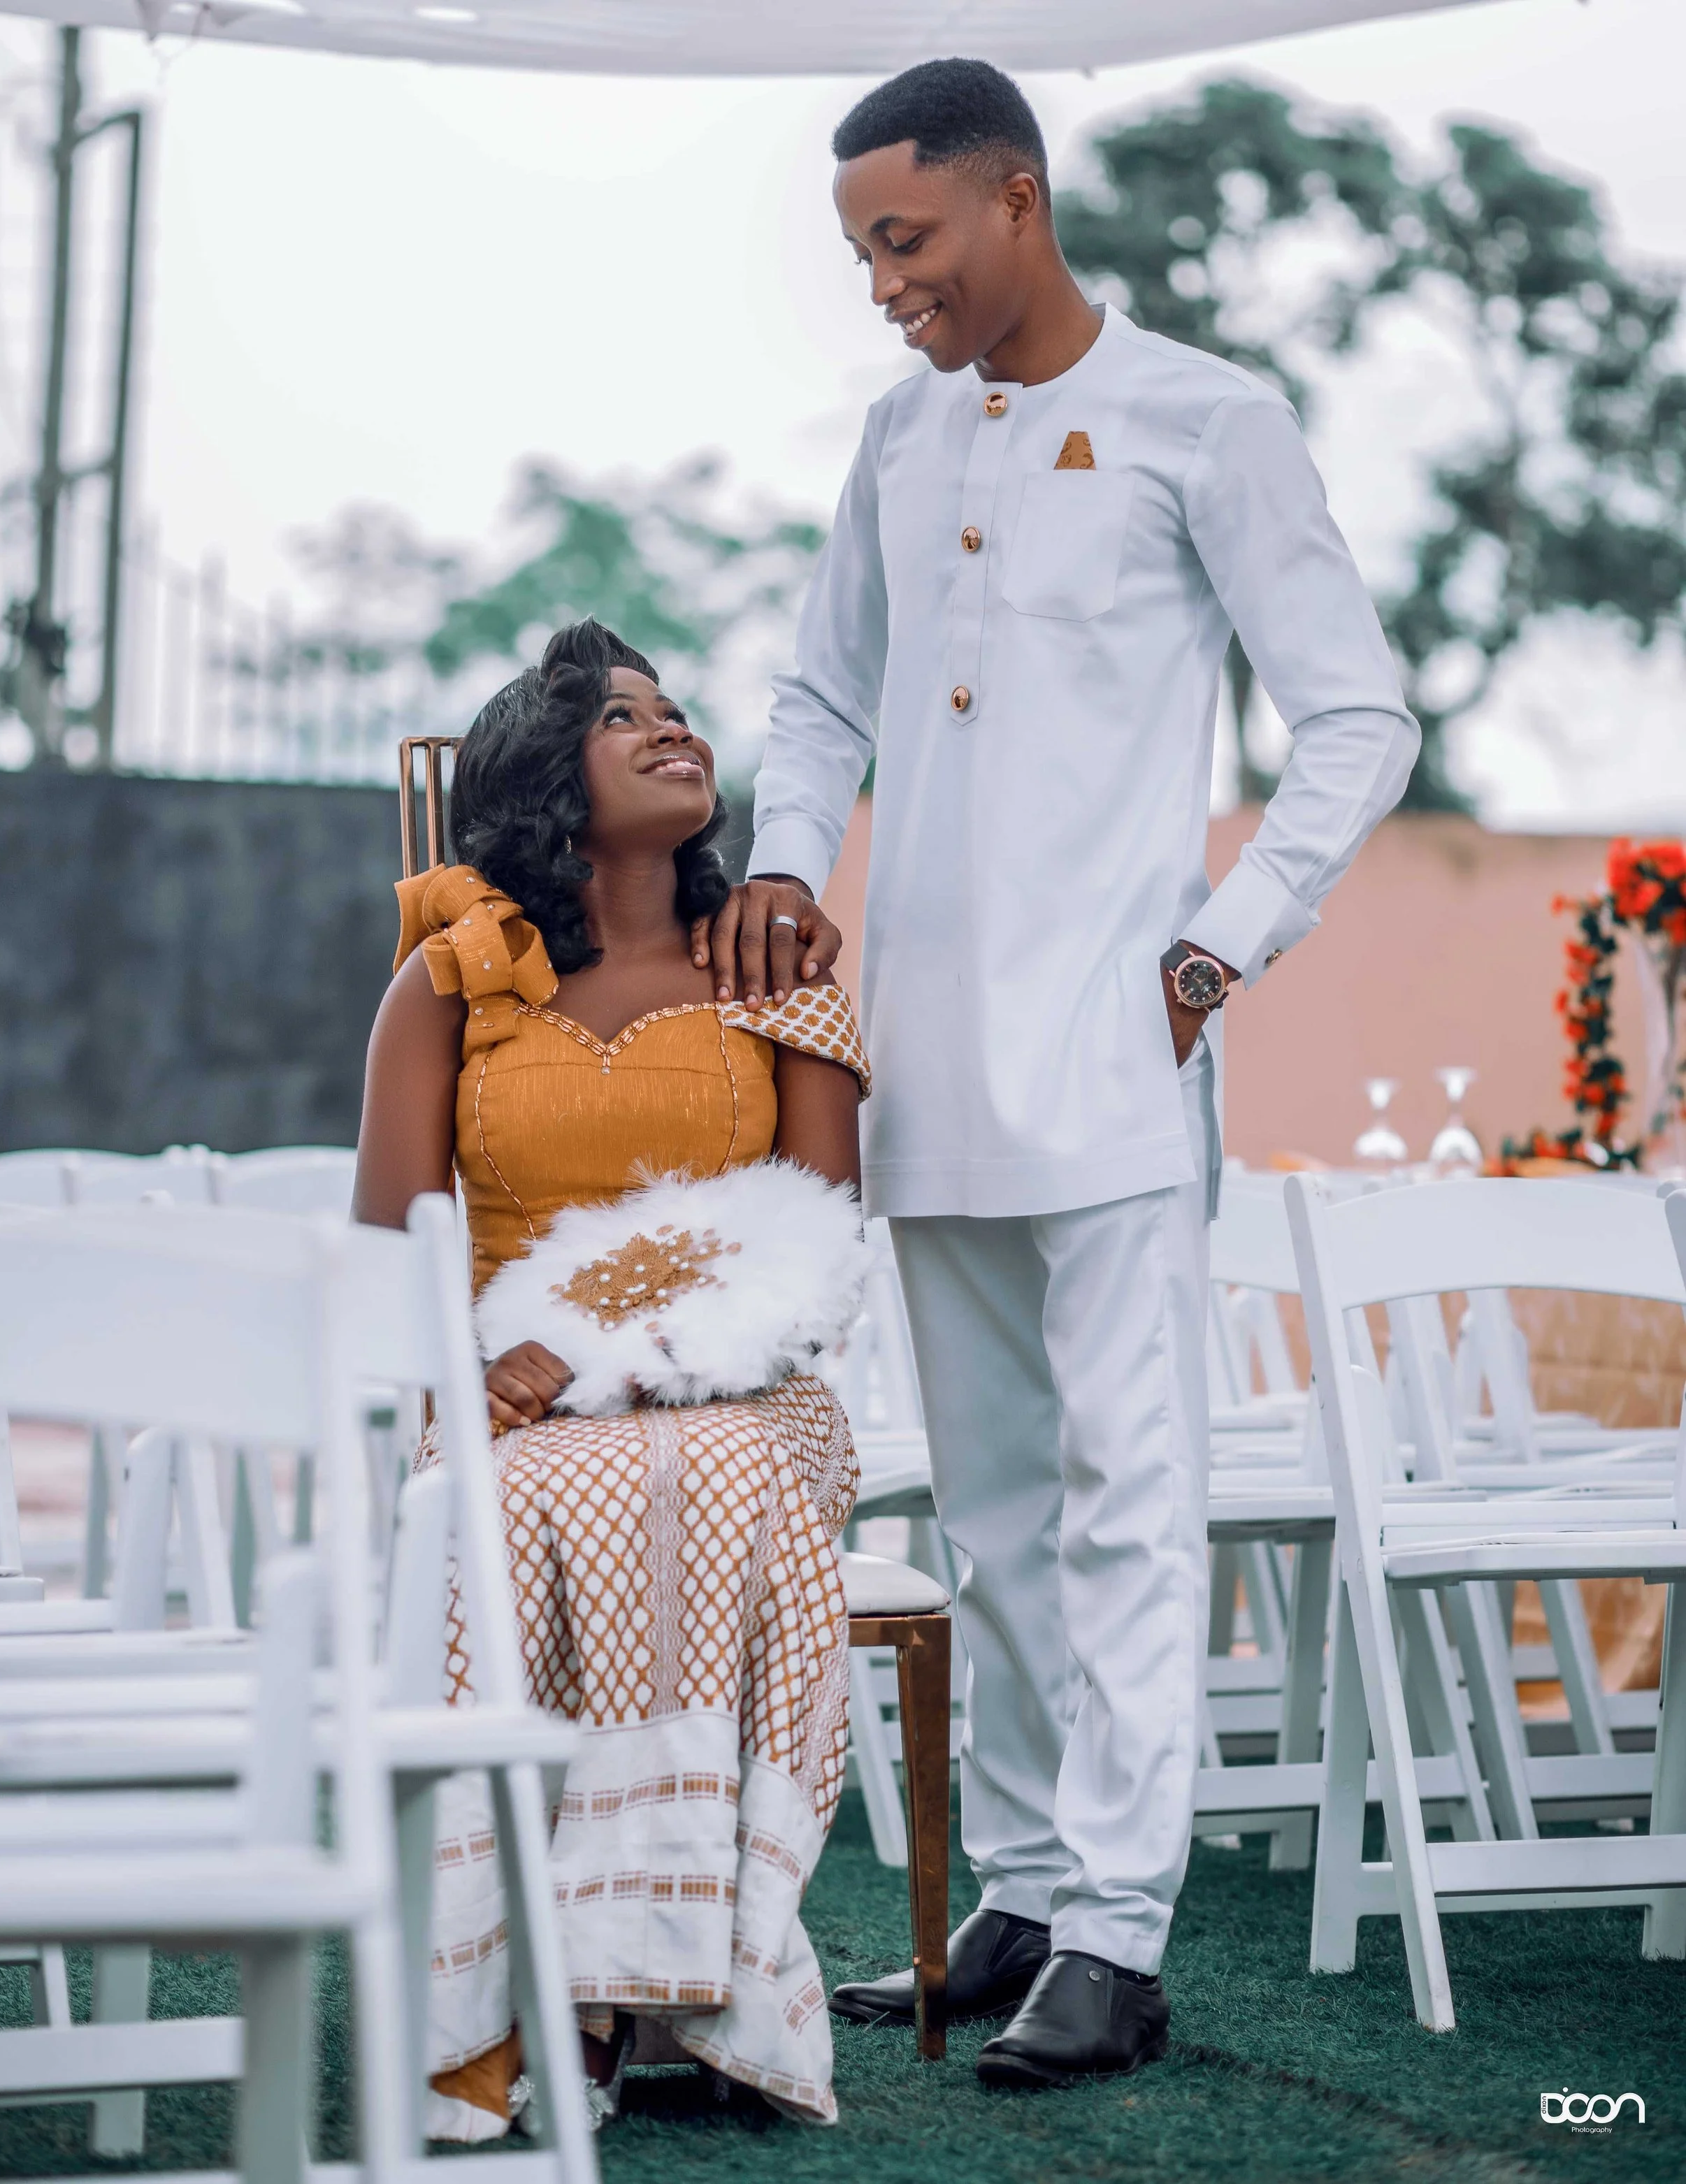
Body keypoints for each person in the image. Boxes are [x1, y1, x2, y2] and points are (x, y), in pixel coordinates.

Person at [700, 58, 1420, 2090]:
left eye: (904, 241)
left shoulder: (1211, 417)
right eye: (860, 251)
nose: (882, 286)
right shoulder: (895, 436)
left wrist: (1231, 927)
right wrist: (777, 859)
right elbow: (822, 683)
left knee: (1126, 1498)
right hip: (921, 1060)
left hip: (1115, 1049)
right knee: (998, 1508)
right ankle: (1016, 1887)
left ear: (1017, 198)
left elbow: (1357, 713)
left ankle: (1117, 1927)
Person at [352, 618, 870, 2133]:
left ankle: (642, 1977)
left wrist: (603, 1351)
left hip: (747, 1397)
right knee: (516, 1502)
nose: (672, 728)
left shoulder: (780, 979)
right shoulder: (449, 983)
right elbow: (390, 1251)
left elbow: (815, 1251)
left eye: (677, 708)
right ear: (543, 780)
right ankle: (532, 1994)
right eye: (620, 714)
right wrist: (493, 1371)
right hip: (494, 1399)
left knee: (692, 1466)